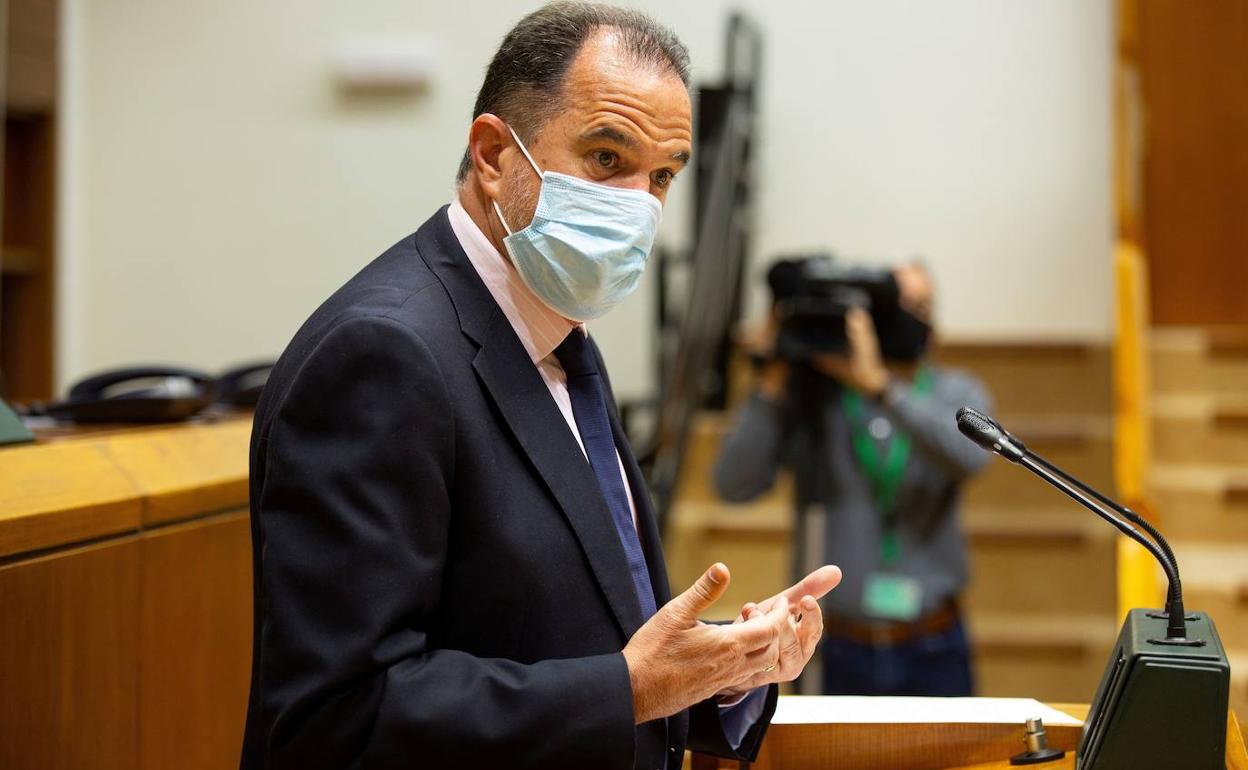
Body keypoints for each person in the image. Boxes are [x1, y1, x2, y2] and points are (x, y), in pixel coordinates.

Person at [240, 5, 841, 769]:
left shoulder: (557, 336)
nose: (637, 205)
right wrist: (629, 689)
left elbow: (584, 637)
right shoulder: (381, 354)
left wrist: (724, 670)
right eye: (604, 158)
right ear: (493, 154)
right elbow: (338, 718)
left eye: (661, 176)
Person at [714, 261, 990, 697]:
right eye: (898, 306)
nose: (908, 318)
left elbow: (973, 458)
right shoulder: (816, 399)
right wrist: (774, 372)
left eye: (920, 305)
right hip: (832, 646)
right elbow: (734, 483)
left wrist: (881, 386)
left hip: (933, 641)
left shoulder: (955, 393)